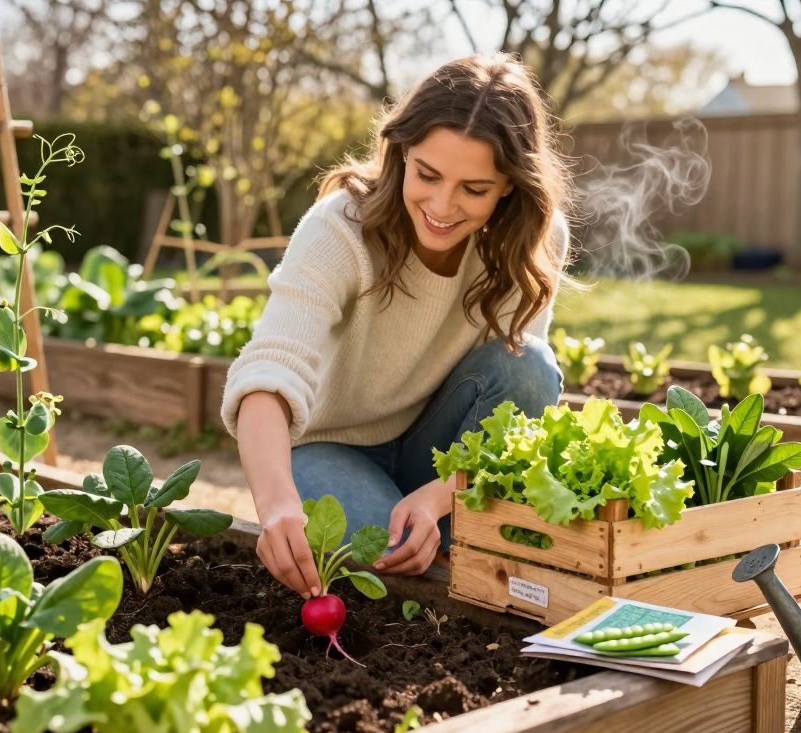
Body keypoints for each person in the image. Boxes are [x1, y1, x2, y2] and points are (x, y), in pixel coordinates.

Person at [220, 53, 572, 598]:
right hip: (330, 446)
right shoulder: (342, 227)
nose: (441, 205)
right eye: (427, 174)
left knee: (528, 364)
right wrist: (277, 505)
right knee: (398, 570)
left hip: (439, 447)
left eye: (473, 189)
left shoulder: (531, 242)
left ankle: (450, 525)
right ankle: (455, 537)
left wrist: (443, 494)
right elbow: (266, 374)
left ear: (508, 186)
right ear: (402, 151)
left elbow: (519, 408)